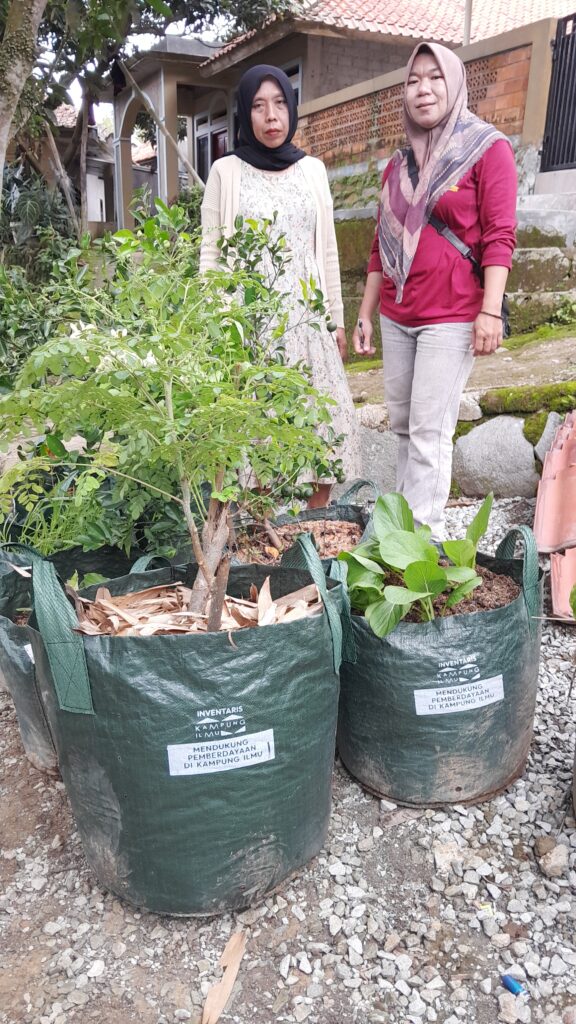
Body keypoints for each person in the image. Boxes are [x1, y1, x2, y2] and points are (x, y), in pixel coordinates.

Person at [352, 42, 517, 537]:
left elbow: (500, 236)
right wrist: (365, 313)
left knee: (429, 431)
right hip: (397, 315)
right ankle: (401, 535)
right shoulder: (398, 166)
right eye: (413, 80)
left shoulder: (487, 150)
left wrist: (490, 311)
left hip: (452, 315)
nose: (423, 89)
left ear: (454, 83)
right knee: (404, 429)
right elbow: (381, 245)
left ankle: (422, 544)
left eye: (435, 77)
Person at [200, 64, 362, 508]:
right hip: (250, 325)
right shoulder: (225, 171)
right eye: (258, 106)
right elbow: (210, 256)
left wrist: (336, 321)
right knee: (258, 433)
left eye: (278, 104)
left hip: (308, 322)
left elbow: (327, 250)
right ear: (244, 113)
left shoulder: (313, 170)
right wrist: (216, 329)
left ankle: (315, 524)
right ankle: (265, 531)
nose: (271, 116)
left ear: (291, 108)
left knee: (326, 425)